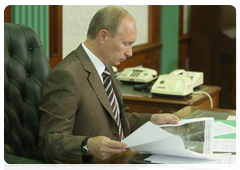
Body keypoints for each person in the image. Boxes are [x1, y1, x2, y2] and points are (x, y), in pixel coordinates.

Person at [38, 5, 179, 168]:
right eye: (126, 43)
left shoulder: (106, 67)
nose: (130, 53)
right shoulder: (67, 75)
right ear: (103, 36)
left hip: (120, 160)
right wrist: (87, 145)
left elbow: (115, 120)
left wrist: (151, 119)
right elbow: (49, 141)